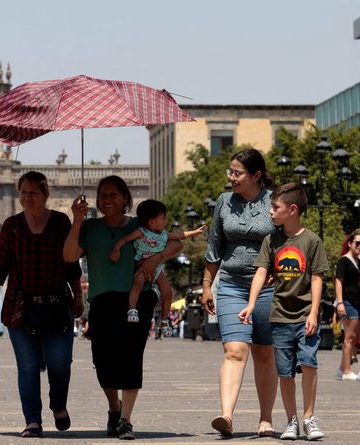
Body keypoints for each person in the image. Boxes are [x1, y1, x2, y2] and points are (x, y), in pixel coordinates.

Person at [64, 175, 181, 440]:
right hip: (103, 300)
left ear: (125, 198)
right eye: (103, 195)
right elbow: (70, 256)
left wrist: (155, 260)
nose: (107, 200)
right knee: (102, 361)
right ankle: (114, 407)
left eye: (113, 195)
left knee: (131, 357)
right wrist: (77, 219)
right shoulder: (90, 227)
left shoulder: (142, 224)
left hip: (136, 299)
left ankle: (125, 420)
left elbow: (177, 243)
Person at [0, 171, 83, 438]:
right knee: (27, 366)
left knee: (60, 363)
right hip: (20, 308)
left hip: (57, 305)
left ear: (46, 195)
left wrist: (78, 296)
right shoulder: (11, 226)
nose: (28, 197)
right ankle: (32, 420)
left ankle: (58, 405)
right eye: (23, 192)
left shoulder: (60, 222)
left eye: (34, 192)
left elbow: (71, 263)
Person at [239, 183, 328, 440]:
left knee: (309, 364)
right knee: (284, 372)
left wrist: (313, 313)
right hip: (279, 317)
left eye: (275, 207)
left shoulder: (312, 240)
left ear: (292, 210)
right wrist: (251, 303)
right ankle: (292, 420)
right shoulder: (271, 240)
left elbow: (317, 279)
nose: (270, 212)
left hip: (305, 317)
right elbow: (261, 273)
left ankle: (309, 417)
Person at [201, 148, 278, 438]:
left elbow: (288, 240)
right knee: (234, 350)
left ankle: (266, 419)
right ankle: (226, 416)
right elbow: (214, 246)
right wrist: (207, 285)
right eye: (230, 172)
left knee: (264, 353)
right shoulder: (224, 202)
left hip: (268, 288)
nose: (231, 178)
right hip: (231, 283)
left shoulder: (275, 201)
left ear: (256, 176)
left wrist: (281, 268)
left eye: (237, 173)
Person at [110, 199, 205, 323]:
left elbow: (179, 235)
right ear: (152, 222)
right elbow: (125, 239)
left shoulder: (163, 234)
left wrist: (195, 232)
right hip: (142, 267)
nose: (167, 221)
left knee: (167, 292)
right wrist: (116, 249)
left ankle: (164, 320)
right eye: (164, 218)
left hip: (158, 269)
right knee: (137, 284)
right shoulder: (141, 233)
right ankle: (132, 309)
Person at [333, 231, 360, 381]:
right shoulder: (344, 261)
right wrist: (340, 302)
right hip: (348, 302)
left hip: (357, 302)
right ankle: (347, 371)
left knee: (355, 336)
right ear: (350, 244)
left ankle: (341, 368)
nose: (359, 246)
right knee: (349, 337)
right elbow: (338, 282)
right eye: (357, 243)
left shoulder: (358, 261)